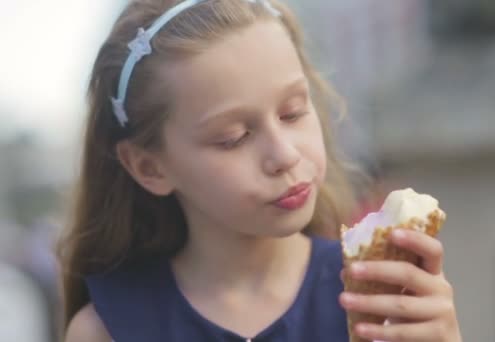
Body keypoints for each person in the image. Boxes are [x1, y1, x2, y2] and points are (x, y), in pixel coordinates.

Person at [57, 0, 462, 341]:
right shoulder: (107, 329)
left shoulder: (383, 302)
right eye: (233, 137)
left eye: (293, 112)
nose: (284, 155)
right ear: (150, 167)